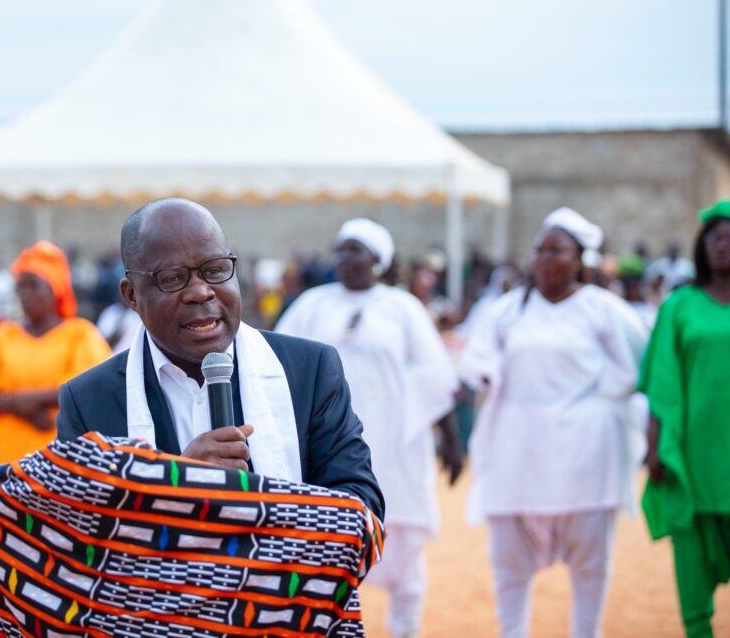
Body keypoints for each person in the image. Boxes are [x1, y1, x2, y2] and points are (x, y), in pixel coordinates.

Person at [56, 198, 383, 519]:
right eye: (172, 278)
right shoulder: (88, 401)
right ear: (131, 295)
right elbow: (75, 533)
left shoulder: (310, 371)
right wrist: (174, 485)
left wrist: (262, 515)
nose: (201, 292)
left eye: (215, 270)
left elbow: (362, 508)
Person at [460, 208, 647, 638]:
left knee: (590, 567)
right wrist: (488, 373)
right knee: (508, 565)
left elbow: (637, 364)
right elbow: (478, 357)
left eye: (556, 250)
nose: (544, 259)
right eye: (539, 249)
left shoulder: (603, 309)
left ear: (579, 259)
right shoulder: (508, 310)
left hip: (586, 453)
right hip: (518, 449)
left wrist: (596, 402)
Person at [275, 218, 461, 638]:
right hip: (326, 444)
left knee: (405, 548)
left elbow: (435, 377)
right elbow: (277, 363)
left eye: (354, 249)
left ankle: (405, 629)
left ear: (379, 261)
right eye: (340, 249)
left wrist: (451, 441)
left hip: (395, 443)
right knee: (323, 546)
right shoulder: (312, 304)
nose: (343, 258)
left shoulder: (403, 308)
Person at [639, 199, 730, 638]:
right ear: (702, 247)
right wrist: (655, 445)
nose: (723, 246)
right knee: (692, 587)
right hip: (692, 456)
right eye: (716, 238)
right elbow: (662, 382)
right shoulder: (680, 306)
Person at [0, 241, 111, 466]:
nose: (25, 294)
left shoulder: (80, 335)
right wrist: (20, 407)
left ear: (55, 288)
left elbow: (90, 389)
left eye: (33, 286)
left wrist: (24, 401)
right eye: (20, 287)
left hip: (62, 461)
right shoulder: (2, 336)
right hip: (6, 459)